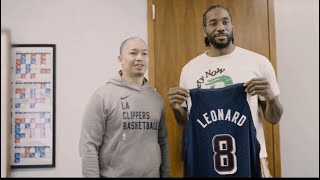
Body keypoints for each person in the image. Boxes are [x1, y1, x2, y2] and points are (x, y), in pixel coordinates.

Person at [167, 5, 283, 177]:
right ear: (205, 31)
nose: (220, 27)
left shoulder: (258, 63)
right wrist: (177, 109)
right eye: (213, 23)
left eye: (225, 22)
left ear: (232, 27)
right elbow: (186, 122)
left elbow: (274, 118)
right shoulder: (189, 70)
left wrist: (271, 97)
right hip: (206, 160)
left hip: (252, 157)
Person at [79, 37, 170, 177]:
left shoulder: (156, 99)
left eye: (144, 54)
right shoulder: (102, 96)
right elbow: (89, 145)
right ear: (120, 59)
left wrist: (165, 174)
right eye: (133, 53)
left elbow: (162, 141)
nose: (140, 58)